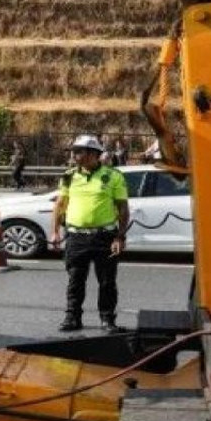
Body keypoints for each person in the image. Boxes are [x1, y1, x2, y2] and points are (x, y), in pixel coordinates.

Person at [49, 134, 130, 333]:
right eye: (74, 151)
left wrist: (120, 236)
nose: (74, 154)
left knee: (107, 281)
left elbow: (123, 208)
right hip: (76, 238)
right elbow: (60, 205)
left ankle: (107, 320)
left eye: (79, 151)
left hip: (105, 237)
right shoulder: (68, 176)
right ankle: (72, 317)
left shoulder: (113, 176)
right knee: (75, 280)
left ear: (94, 154)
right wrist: (55, 231)